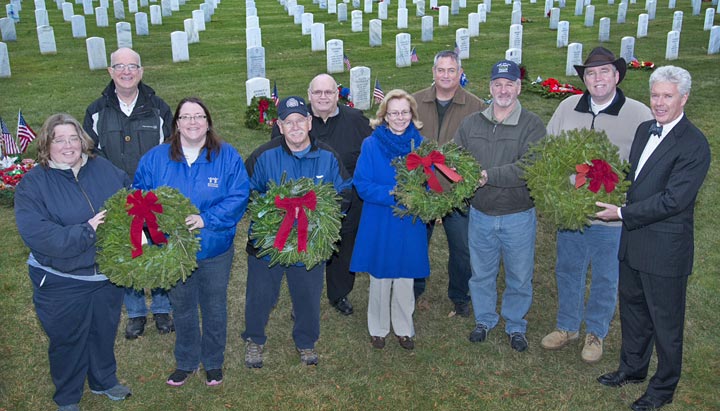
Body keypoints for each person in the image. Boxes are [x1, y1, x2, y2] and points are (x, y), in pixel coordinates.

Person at [595, 66, 710, 411]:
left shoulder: (694, 144)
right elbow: (635, 179)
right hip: (633, 243)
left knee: (666, 322)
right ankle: (632, 368)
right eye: (655, 95)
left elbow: (674, 200)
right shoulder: (645, 129)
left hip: (664, 249)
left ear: (684, 98)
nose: (659, 103)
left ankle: (663, 388)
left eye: (667, 96)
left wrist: (622, 214)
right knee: (632, 310)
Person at [541, 47, 654, 363]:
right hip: (571, 212)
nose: (598, 78)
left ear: (617, 76)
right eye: (591, 73)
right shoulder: (567, 107)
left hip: (611, 216)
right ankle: (567, 326)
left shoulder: (638, 113)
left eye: (605, 71)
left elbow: (647, 164)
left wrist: (626, 201)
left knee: (606, 275)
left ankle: (595, 333)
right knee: (568, 270)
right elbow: (549, 151)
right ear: (584, 78)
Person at [14, 114, 132, 411]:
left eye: (73, 138)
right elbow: (41, 236)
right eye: (59, 139)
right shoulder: (33, 185)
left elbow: (128, 202)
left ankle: (103, 380)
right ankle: (68, 396)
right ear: (46, 145)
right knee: (68, 340)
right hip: (61, 280)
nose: (68, 145)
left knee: (103, 331)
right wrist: (87, 230)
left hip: (105, 275)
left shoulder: (103, 169)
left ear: (83, 141)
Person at [133, 97, 250, 387]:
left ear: (208, 122)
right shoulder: (156, 158)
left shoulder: (227, 156)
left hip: (214, 248)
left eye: (199, 116)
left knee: (214, 306)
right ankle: (186, 362)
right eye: (186, 117)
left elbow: (239, 196)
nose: (193, 122)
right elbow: (139, 194)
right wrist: (156, 226)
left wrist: (206, 219)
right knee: (182, 307)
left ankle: (213, 362)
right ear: (176, 124)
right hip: (173, 251)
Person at [243, 96, 352, 367]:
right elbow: (244, 191)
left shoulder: (327, 157)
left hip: (309, 242)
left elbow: (345, 192)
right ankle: (254, 340)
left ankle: (305, 341)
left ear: (309, 122)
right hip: (268, 243)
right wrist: (266, 215)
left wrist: (323, 218)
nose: (294, 127)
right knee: (260, 295)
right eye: (287, 122)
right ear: (279, 126)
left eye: (299, 120)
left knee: (307, 295)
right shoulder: (263, 155)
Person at [83, 47, 175, 339]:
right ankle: (136, 312)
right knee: (129, 251)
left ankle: (162, 307)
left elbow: (170, 150)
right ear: (110, 72)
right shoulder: (97, 110)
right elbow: (90, 155)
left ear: (141, 71)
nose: (126, 72)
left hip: (154, 196)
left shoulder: (158, 108)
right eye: (119, 66)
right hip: (117, 198)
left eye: (132, 66)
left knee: (159, 246)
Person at [455, 60, 546, 352]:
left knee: (519, 274)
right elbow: (456, 159)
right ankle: (484, 318)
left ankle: (515, 324)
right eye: (498, 84)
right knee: (481, 272)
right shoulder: (471, 123)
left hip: (518, 214)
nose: (503, 90)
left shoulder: (532, 124)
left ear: (519, 88)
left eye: (509, 84)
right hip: (480, 214)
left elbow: (530, 166)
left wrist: (487, 176)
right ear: (490, 87)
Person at [270, 73, 372, 316]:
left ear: (338, 94)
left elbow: (371, 153)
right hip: (302, 203)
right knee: (304, 250)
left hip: (346, 200)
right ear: (309, 95)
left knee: (342, 248)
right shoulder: (294, 121)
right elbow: (276, 157)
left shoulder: (356, 120)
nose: (323, 97)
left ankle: (339, 293)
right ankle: (303, 298)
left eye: (328, 92)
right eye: (317, 92)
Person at [350, 89, 431, 350]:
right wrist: (394, 195)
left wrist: (421, 197)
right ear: (384, 116)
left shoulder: (421, 145)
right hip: (380, 216)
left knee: (406, 274)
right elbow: (362, 184)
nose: (399, 118)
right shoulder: (371, 144)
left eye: (404, 112)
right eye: (394, 113)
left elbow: (428, 185)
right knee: (381, 275)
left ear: (412, 115)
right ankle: (378, 327)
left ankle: (404, 327)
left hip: (409, 220)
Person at [412, 50, 485, 317]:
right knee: (418, 242)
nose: (445, 75)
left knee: (462, 247)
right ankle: (415, 289)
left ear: (460, 73)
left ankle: (459, 294)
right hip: (423, 188)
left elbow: (481, 146)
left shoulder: (476, 106)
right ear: (433, 73)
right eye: (440, 70)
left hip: (458, 191)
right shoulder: (416, 101)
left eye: (451, 70)